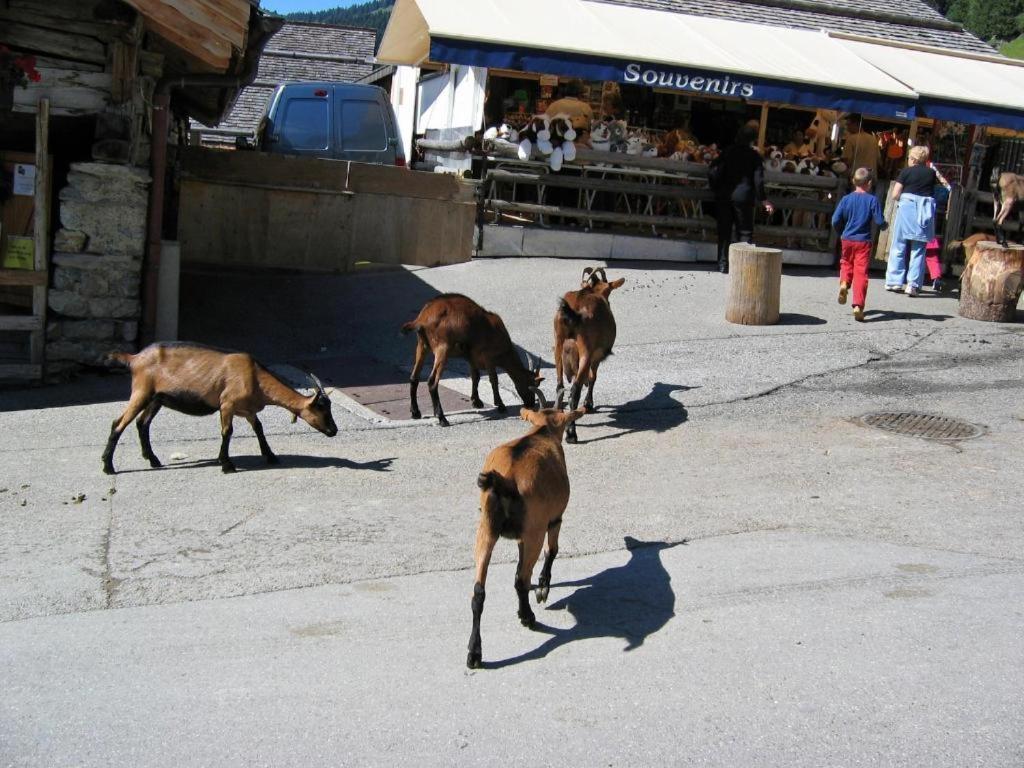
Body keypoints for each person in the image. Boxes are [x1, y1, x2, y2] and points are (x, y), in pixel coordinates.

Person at [712, 124, 774, 274]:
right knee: (744, 231)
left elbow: (714, 170)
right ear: (752, 141)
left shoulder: (727, 152)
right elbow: (758, 180)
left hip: (725, 195)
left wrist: (716, 188)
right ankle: (742, 266)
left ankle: (722, 264)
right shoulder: (754, 157)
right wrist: (764, 199)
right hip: (744, 197)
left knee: (724, 231)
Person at [886, 145, 945, 295]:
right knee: (919, 248)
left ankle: (894, 282)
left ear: (913, 158)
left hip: (907, 208)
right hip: (924, 211)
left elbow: (895, 193)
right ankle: (912, 285)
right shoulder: (931, 173)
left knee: (898, 245)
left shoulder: (906, 172)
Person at [831, 167, 887, 322]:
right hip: (863, 241)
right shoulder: (872, 200)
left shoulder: (846, 199)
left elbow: (835, 220)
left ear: (853, 181)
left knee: (846, 263)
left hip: (847, 238)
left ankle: (844, 283)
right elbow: (879, 221)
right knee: (860, 272)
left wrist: (842, 231)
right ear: (869, 183)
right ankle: (858, 305)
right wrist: (884, 225)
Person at [545, 79, 593, 148]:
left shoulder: (554, 105)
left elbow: (545, 126)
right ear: (580, 93)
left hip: (556, 147)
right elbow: (590, 131)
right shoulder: (586, 108)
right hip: (578, 150)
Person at [841, 113, 879, 181]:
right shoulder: (873, 139)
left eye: (848, 125)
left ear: (856, 124)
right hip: (871, 177)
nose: (847, 127)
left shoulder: (851, 139)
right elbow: (878, 159)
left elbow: (846, 161)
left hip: (857, 178)